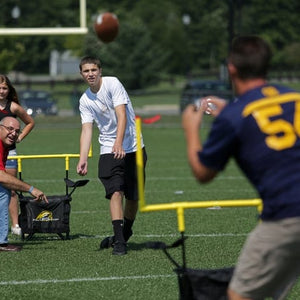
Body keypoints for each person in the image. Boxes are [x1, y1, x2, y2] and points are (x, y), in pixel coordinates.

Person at [181, 35, 300, 299]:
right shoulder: (294, 96)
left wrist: (191, 130)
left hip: (287, 215)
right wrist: (233, 110)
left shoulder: (235, 116)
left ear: (231, 68)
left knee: (239, 295)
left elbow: (203, 172)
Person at [76, 56, 147, 256]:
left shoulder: (112, 83)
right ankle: (119, 242)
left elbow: (122, 115)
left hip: (133, 146)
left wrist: (119, 142)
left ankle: (124, 233)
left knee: (133, 197)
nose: (90, 74)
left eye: (93, 70)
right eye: (86, 71)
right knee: (116, 192)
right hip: (108, 148)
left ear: (100, 70)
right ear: (81, 74)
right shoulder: (84, 100)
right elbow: (87, 130)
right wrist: (83, 158)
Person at [0, 116, 48, 252]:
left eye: (17, 131)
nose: (13, 133)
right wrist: (31, 189)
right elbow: (1, 176)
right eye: (10, 129)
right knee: (3, 192)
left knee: (4, 190)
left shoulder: (5, 146)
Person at [0, 74, 35, 236]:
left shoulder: (13, 107)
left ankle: (15, 225)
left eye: (4, 88)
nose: (1, 91)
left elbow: (30, 122)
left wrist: (19, 137)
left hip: (9, 153)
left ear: (9, 89)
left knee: (11, 188)